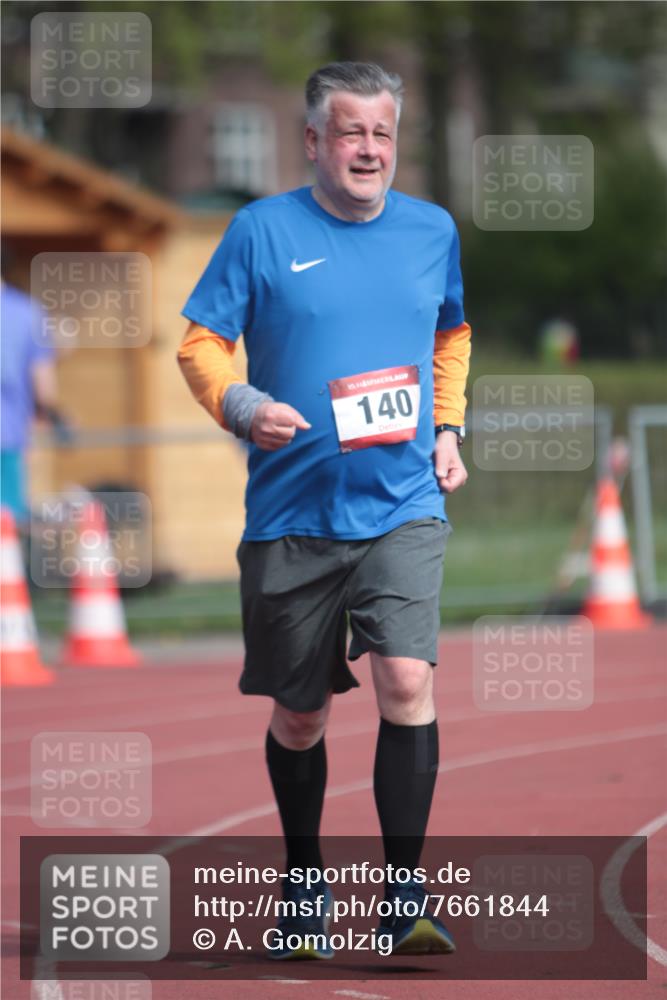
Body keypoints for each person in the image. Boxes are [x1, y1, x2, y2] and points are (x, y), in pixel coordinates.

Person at [178, 61, 471, 958]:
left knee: (407, 681)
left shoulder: (431, 230)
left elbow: (449, 331)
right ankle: (303, 888)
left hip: (402, 503)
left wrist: (448, 427)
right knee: (300, 714)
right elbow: (200, 344)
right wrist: (241, 406)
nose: (368, 150)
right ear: (313, 141)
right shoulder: (260, 232)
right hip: (291, 512)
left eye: (382, 134)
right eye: (351, 133)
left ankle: (402, 899)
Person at [1, 258, 67, 525]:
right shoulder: (28, 313)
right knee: (8, 525)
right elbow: (43, 382)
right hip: (9, 436)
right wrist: (52, 416)